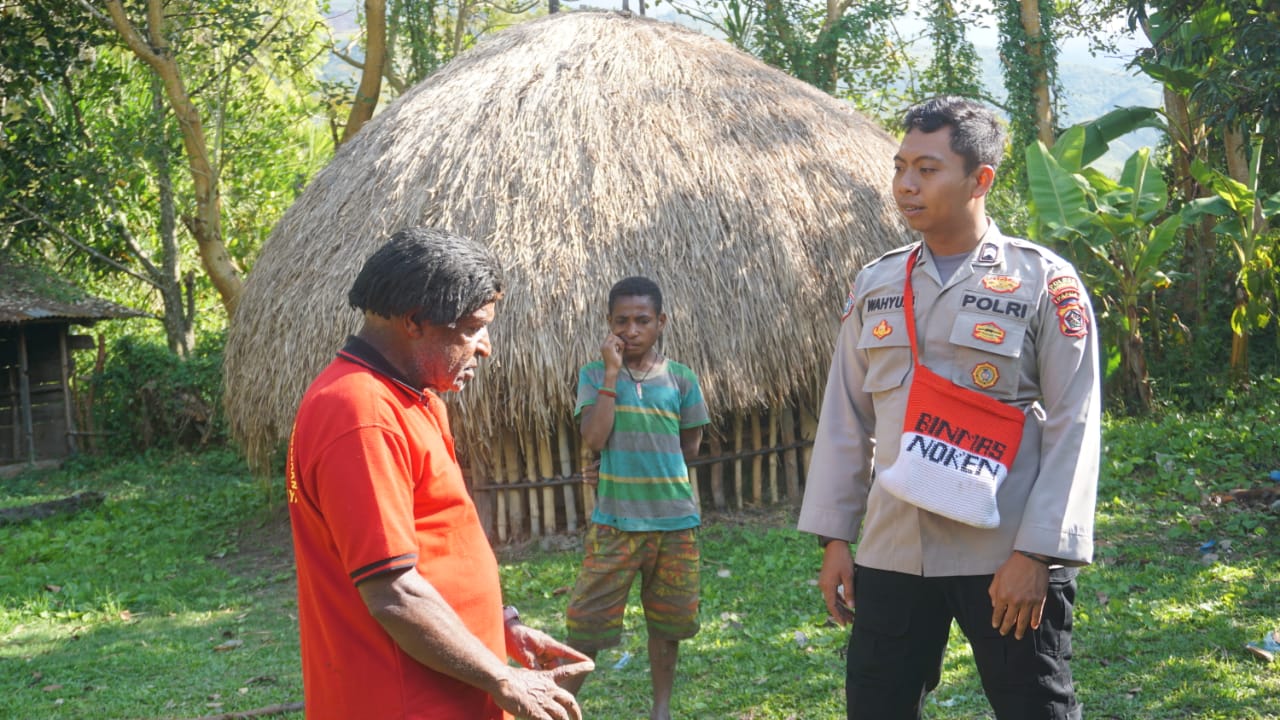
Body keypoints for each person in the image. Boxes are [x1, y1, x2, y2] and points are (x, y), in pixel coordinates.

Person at [798, 96, 1101, 720]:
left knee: (1034, 709)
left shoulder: (1042, 281)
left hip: (1003, 553)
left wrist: (1038, 554)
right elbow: (846, 417)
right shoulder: (875, 284)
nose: (906, 184)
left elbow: (1076, 422)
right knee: (876, 708)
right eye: (900, 166)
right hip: (892, 550)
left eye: (928, 169)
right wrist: (836, 539)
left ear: (980, 179)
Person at [286, 227, 594, 720]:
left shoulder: (414, 398)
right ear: (415, 321)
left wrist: (499, 626)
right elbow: (394, 592)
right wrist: (503, 678)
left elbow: (431, 545)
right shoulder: (360, 414)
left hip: (447, 690)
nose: (485, 347)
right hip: (405, 701)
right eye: (472, 328)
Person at [562, 276, 711, 720]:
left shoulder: (682, 378)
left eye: (642, 320)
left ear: (661, 322)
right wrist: (611, 374)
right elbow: (593, 437)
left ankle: (660, 711)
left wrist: (648, 462)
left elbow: (690, 447)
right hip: (615, 523)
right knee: (586, 624)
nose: (631, 330)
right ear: (608, 324)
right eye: (621, 321)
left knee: (667, 625)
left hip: (674, 525)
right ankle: (557, 705)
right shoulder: (593, 375)